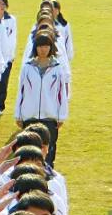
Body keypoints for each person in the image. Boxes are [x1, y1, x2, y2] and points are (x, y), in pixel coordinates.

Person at [14, 34, 70, 166]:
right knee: (28, 151)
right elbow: (21, 92)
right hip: (30, 116)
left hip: (49, 117)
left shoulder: (57, 68)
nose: (43, 49)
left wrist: (61, 116)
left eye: (46, 46)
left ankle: (47, 177)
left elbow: (61, 93)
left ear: (51, 47)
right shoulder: (27, 67)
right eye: (40, 46)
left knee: (48, 151)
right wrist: (18, 114)